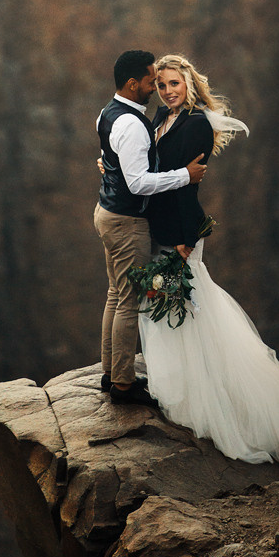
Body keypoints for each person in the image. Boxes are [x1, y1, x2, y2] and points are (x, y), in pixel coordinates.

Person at [139, 53, 279, 487]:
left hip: (180, 232)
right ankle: (186, 390)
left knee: (185, 309)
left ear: (189, 84)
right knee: (171, 309)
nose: (167, 91)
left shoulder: (196, 124)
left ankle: (212, 405)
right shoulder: (160, 118)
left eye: (174, 83)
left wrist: (186, 242)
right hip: (159, 229)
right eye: (161, 85)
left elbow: (188, 187)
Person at [94, 50, 207, 407]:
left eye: (170, 83)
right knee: (128, 301)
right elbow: (138, 182)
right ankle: (122, 384)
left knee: (116, 294)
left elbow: (111, 156)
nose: (157, 89)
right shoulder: (132, 123)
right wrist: (184, 175)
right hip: (126, 222)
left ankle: (111, 372)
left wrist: (109, 167)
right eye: (152, 82)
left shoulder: (109, 112)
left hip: (108, 213)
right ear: (133, 84)